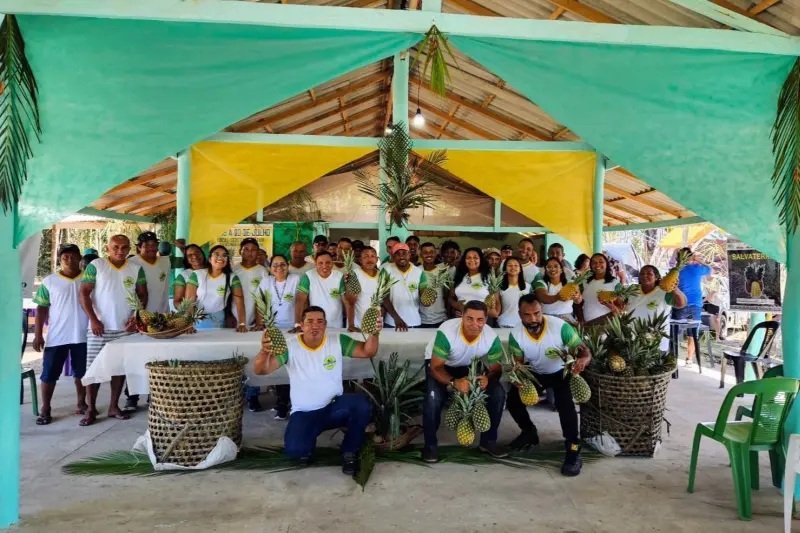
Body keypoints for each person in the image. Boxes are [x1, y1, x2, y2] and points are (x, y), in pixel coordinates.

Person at [254, 306, 381, 475]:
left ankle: (350, 449)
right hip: (304, 413)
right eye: (310, 321)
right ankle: (307, 438)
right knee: (297, 452)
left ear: (326, 325)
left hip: (334, 408)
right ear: (301, 325)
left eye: (320, 321)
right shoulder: (289, 347)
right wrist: (264, 351)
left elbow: (368, 351)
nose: (315, 325)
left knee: (361, 405)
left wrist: (375, 333)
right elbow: (262, 370)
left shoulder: (337, 341)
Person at [506, 294, 592, 477]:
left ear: (542, 311)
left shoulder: (560, 327)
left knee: (566, 407)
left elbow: (584, 350)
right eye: (527, 315)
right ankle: (529, 432)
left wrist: (583, 360)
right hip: (536, 373)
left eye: (536, 313)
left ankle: (573, 449)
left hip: (561, 371)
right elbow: (518, 364)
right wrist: (517, 379)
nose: (533, 319)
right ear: (520, 315)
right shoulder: (515, 334)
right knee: (513, 400)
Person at [422, 301, 507, 462]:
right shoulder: (447, 331)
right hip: (441, 365)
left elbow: (496, 369)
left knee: (498, 393)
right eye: (469, 319)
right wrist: (454, 383)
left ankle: (488, 442)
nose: (474, 324)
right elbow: (435, 368)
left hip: (468, 365)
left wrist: (487, 379)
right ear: (462, 317)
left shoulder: (491, 337)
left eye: (480, 320)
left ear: (486, 320)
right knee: (433, 399)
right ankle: (430, 446)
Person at [78, 234, 147, 426]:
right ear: (107, 248)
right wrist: (93, 320)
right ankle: (91, 409)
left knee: (120, 369)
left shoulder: (136, 268)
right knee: (93, 369)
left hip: (126, 329)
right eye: (116, 247)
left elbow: (142, 295)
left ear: (129, 249)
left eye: (124, 247)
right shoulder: (97, 266)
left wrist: (136, 317)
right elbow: (84, 292)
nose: (120, 251)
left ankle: (113, 407)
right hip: (100, 328)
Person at [32, 244, 89, 425]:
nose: (69, 259)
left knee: (83, 374)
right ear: (59, 259)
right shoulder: (49, 281)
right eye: (65, 257)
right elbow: (41, 309)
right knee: (49, 374)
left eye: (73, 256)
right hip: (57, 337)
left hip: (84, 335)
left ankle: (82, 403)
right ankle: (45, 408)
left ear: (80, 257)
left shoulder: (88, 279)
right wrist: (38, 335)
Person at [125, 231, 172, 412]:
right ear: (139, 247)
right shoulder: (132, 263)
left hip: (162, 318)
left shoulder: (165, 261)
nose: (151, 249)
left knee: (159, 359)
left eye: (154, 245)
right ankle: (132, 396)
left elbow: (191, 263)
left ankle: (155, 395)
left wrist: (183, 249)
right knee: (136, 359)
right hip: (139, 318)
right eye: (147, 245)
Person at [256, 254, 300, 420]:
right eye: (275, 265)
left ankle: (290, 402)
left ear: (288, 266)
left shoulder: (296, 279)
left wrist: (299, 324)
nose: (279, 267)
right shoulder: (266, 281)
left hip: (292, 329)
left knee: (292, 365)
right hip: (272, 329)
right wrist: (260, 323)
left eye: (282, 264)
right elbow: (259, 303)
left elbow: (303, 301)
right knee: (277, 365)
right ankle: (282, 403)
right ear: (270, 267)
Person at [234, 238, 271, 412]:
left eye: (253, 249)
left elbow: (262, 298)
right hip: (235, 321)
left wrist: (259, 321)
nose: (250, 252)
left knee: (254, 355)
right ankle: (236, 396)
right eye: (246, 249)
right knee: (234, 358)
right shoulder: (233, 270)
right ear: (240, 251)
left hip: (255, 322)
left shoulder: (262, 271)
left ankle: (253, 396)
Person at [185, 245, 248, 331]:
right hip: (197, 320)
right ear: (210, 259)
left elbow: (239, 300)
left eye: (224, 255)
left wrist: (242, 324)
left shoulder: (232, 277)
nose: (220, 257)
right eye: (216, 254)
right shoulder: (197, 275)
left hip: (218, 320)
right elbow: (189, 301)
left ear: (227, 260)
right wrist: (188, 324)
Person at [626, 265, 687, 352]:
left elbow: (681, 304)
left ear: (657, 277)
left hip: (656, 342)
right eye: (642, 273)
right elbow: (621, 306)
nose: (645, 276)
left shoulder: (665, 292)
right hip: (633, 340)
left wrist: (675, 290)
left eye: (649, 274)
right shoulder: (632, 290)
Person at [672, 247, 712, 368]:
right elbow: (710, 270)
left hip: (680, 304)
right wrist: (698, 260)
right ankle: (689, 360)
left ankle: (672, 359)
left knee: (674, 332)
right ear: (691, 257)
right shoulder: (697, 269)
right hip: (695, 305)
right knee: (692, 334)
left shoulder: (675, 270)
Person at [294, 250, 345, 331]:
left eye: (328, 262)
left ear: (332, 264)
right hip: (314, 326)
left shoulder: (340, 276)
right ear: (316, 265)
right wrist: (298, 324)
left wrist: (351, 324)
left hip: (336, 324)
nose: (324, 266)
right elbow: (300, 301)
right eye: (320, 263)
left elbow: (348, 302)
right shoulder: (308, 276)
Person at [382, 243, 428, 331]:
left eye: (404, 253)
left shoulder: (419, 272)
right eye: (397, 254)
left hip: (414, 322)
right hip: (392, 322)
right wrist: (396, 318)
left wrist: (428, 300)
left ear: (409, 254)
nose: (401, 257)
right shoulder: (386, 270)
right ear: (393, 256)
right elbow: (384, 297)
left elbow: (423, 295)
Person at [449, 247, 498, 318]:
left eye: (475, 258)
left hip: (482, 320)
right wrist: (456, 306)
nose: (472, 260)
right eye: (468, 258)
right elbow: (450, 299)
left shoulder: (488, 278)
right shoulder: (459, 277)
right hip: (461, 319)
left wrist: (494, 315)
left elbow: (497, 303)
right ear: (464, 260)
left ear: (481, 260)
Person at [578, 253, 622, 326]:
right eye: (594, 262)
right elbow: (578, 303)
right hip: (587, 324)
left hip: (606, 324)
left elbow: (622, 307)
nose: (597, 264)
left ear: (606, 264)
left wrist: (612, 307)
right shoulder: (585, 282)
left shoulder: (615, 283)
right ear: (591, 266)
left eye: (601, 262)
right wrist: (581, 319)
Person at [345, 246, 381, 332]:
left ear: (377, 259)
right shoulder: (354, 275)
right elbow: (350, 303)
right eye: (366, 256)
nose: (369, 259)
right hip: (357, 325)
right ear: (360, 260)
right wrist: (351, 325)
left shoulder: (381, 275)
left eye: (372, 256)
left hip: (375, 324)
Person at [534, 257, 582, 323]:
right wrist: (558, 297)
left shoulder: (570, 283)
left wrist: (576, 297)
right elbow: (544, 298)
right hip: (547, 318)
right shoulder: (540, 283)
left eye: (556, 266)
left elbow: (578, 300)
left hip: (567, 318)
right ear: (545, 270)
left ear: (561, 269)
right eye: (549, 267)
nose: (552, 269)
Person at [419, 242, 448, 329]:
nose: (429, 255)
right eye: (425, 252)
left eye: (431, 252)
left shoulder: (443, 271)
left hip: (441, 319)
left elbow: (446, 296)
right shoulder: (416, 271)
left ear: (436, 254)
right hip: (422, 319)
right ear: (420, 254)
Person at [497, 256, 529, 328]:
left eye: (516, 265)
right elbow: (497, 308)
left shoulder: (528, 287)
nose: (513, 267)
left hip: (523, 325)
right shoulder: (498, 287)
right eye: (509, 265)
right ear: (505, 269)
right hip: (504, 324)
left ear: (520, 269)